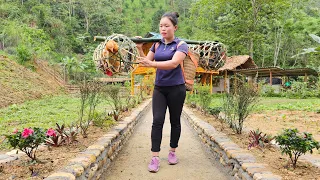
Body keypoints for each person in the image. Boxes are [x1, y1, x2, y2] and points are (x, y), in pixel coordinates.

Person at [135, 12, 188, 173]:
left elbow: (173, 64)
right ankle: (155, 157)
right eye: (161, 26)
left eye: (167, 26)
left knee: (175, 121)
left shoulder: (181, 45)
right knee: (157, 121)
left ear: (175, 28)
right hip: (160, 88)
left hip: (177, 89)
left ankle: (172, 152)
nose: (163, 29)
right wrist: (139, 48)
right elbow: (146, 62)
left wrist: (152, 64)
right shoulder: (157, 45)